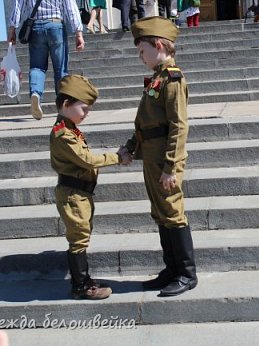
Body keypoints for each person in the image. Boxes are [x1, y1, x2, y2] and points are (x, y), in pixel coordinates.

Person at [120, 17, 198, 297]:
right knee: (161, 212)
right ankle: (172, 270)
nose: (140, 57)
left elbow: (178, 126)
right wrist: (130, 146)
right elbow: (145, 122)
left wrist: (172, 167)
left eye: (143, 51)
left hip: (165, 161)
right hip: (151, 158)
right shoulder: (157, 79)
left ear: (159, 45)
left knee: (173, 213)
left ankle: (187, 274)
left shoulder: (173, 79)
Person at [50, 75, 129, 300]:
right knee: (79, 238)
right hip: (73, 195)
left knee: (82, 235)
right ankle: (81, 287)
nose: (86, 114)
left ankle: (84, 281)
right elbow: (86, 160)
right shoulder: (62, 134)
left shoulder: (70, 127)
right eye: (83, 108)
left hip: (81, 193)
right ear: (66, 105)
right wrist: (117, 157)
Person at [8, 0, 85, 121]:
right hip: (56, 26)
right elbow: (70, 7)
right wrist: (78, 33)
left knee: (37, 67)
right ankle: (63, 105)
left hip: (36, 28)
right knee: (61, 69)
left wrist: (12, 30)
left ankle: (35, 93)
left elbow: (18, 6)